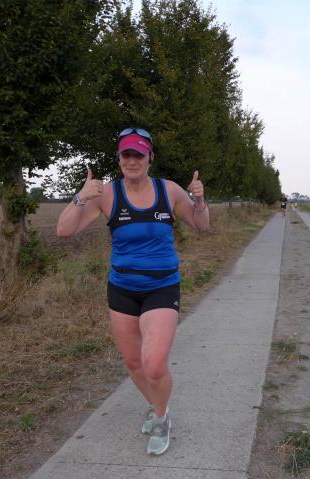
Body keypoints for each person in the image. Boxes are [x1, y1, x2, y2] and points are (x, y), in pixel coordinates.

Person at [55, 127, 210, 455]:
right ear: (119, 159)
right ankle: (158, 407)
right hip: (122, 289)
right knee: (134, 364)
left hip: (161, 286)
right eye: (126, 154)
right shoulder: (107, 194)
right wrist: (81, 196)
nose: (132, 160)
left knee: (153, 363)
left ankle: (161, 418)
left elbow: (201, 225)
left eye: (139, 154)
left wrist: (199, 201)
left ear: (150, 157)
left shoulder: (168, 190)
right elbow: (64, 230)